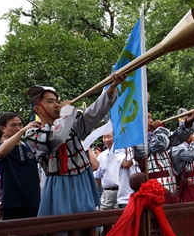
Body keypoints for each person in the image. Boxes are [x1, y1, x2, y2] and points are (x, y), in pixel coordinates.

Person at [25, 72, 123, 216]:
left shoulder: (72, 126)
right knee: (62, 230)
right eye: (50, 101)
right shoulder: (33, 134)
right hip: (58, 185)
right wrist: (66, 112)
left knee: (86, 228)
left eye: (57, 101)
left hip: (83, 180)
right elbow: (57, 137)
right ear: (38, 109)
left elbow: (93, 114)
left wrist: (110, 89)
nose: (57, 104)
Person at [134, 111, 194, 204]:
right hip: (153, 191)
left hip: (171, 188)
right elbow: (160, 144)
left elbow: (179, 138)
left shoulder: (155, 136)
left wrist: (187, 123)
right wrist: (160, 127)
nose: (152, 121)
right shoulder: (137, 139)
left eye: (151, 117)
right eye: (148, 118)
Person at [94, 132, 119, 210]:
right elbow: (97, 178)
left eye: (109, 137)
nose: (106, 140)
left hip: (120, 192)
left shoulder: (122, 153)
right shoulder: (101, 156)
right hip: (107, 194)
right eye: (104, 137)